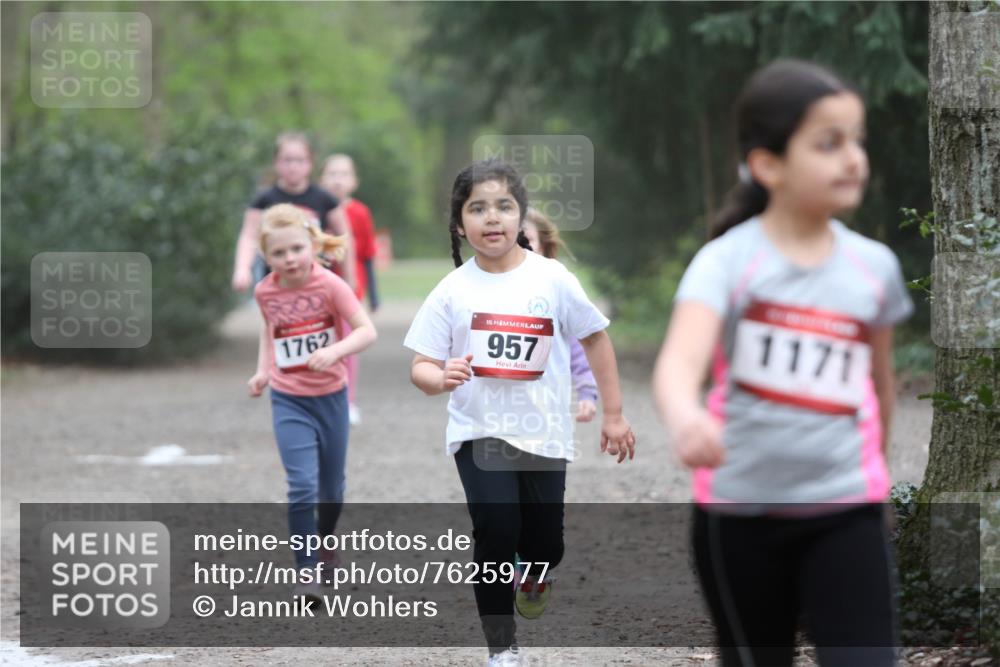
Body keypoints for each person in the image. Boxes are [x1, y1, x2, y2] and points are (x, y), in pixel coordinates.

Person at [652, 60, 913, 667]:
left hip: (846, 512)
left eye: (858, 140)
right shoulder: (726, 262)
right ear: (769, 164)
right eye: (829, 143)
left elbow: (881, 386)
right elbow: (677, 364)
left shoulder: (873, 268)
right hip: (739, 517)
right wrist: (686, 418)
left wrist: (875, 479)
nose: (853, 159)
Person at [404, 159, 636, 667]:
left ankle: (538, 570)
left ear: (521, 217)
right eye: (478, 208)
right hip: (478, 431)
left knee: (544, 541)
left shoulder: (552, 279)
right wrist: (440, 378)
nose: (492, 218)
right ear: (458, 223)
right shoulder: (452, 290)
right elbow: (421, 365)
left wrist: (613, 414)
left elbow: (596, 340)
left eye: (504, 207)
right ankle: (502, 649)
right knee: (494, 532)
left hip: (544, 434)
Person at [247, 203, 377, 601]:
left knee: (331, 490)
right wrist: (263, 370)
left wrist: (336, 351)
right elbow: (270, 332)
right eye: (279, 253)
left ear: (313, 246)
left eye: (296, 249)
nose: (289, 259)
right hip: (289, 399)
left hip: (331, 398)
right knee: (301, 485)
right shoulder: (265, 291)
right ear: (266, 257)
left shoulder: (330, 285)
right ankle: (307, 571)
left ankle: (325, 541)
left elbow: (366, 331)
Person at [232, 131, 355, 294]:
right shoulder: (264, 200)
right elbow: (248, 236)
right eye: (287, 160)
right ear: (276, 162)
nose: (293, 166)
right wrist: (242, 269)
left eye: (299, 160)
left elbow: (345, 239)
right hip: (278, 286)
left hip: (318, 284)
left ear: (310, 163)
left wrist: (350, 280)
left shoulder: (326, 199)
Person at [522, 207, 598, 423]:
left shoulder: (557, 287)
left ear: (544, 246)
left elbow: (580, 343)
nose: (521, 248)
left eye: (527, 240)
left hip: (549, 410)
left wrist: (586, 391)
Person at [320, 153, 380, 426]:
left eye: (343, 174)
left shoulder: (360, 213)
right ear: (322, 179)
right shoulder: (316, 209)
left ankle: (348, 401)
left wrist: (374, 294)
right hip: (318, 291)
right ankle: (321, 399)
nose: (337, 180)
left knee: (346, 345)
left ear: (353, 181)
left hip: (349, 290)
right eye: (332, 174)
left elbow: (367, 254)